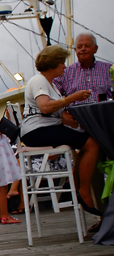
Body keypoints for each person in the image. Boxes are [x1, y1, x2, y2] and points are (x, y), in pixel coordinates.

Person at [20, 44, 100, 215]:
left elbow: (58, 115)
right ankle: (83, 190)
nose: (65, 66)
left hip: (42, 128)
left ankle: (79, 186)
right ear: (54, 63)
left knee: (85, 143)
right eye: (62, 63)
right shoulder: (40, 80)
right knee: (91, 145)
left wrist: (79, 125)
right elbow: (45, 108)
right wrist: (71, 98)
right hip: (38, 130)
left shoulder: (51, 85)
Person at [53, 32, 112, 104]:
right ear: (75, 50)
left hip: (104, 113)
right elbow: (52, 95)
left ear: (95, 49)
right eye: (79, 47)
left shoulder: (109, 69)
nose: (83, 49)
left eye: (87, 46)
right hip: (77, 114)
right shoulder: (65, 72)